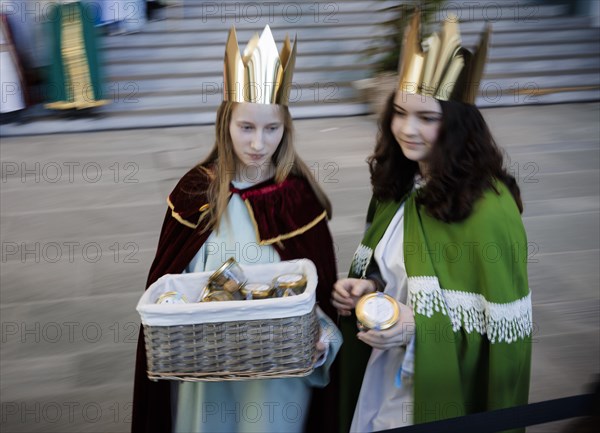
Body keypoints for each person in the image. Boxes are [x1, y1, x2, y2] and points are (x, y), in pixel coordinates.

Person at [132, 25, 341, 433]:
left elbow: (319, 301)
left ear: (286, 129)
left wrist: (323, 341)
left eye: (272, 129)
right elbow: (168, 288)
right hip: (206, 378)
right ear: (225, 123)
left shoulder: (298, 199)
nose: (259, 144)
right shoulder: (195, 193)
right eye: (247, 127)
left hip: (277, 381)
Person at [332, 12, 532, 433]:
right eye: (400, 113)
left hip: (439, 394)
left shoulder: (490, 210)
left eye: (427, 118)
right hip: (384, 376)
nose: (407, 129)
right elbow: (396, 273)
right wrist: (367, 287)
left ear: (458, 126)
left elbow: (503, 339)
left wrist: (416, 328)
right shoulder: (400, 186)